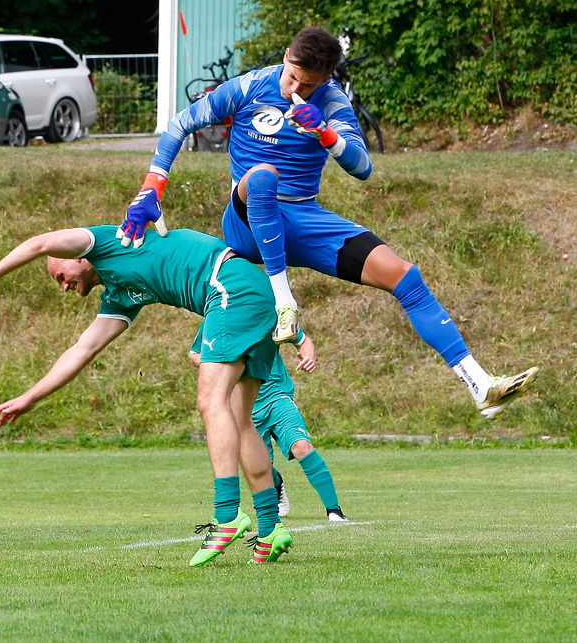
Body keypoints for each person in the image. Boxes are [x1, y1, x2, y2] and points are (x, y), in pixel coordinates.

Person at [118, 26, 537, 420]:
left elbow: (363, 167)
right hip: (246, 220)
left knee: (405, 276)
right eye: (293, 77)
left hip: (301, 217)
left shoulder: (332, 102)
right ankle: (286, 303)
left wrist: (327, 135)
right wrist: (151, 188)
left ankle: (479, 385)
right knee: (263, 176)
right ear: (286, 57)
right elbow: (179, 124)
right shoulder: (249, 86)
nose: (296, 89)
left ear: (327, 78)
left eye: (309, 84)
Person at [0, 225, 293, 566]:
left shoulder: (109, 241)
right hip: (255, 292)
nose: (63, 285)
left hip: (229, 287)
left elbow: (41, 242)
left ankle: (227, 516)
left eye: (61, 274)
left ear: (78, 257)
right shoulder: (120, 292)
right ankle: (270, 528)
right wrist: (30, 398)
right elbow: (82, 350)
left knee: (210, 401)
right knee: (239, 418)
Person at [190, 326, 348, 522]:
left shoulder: (267, 310)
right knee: (259, 466)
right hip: (245, 407)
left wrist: (308, 355)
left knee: (301, 446)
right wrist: (226, 365)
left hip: (277, 396)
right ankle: (277, 484)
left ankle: (334, 510)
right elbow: (195, 354)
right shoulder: (217, 316)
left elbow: (303, 340)